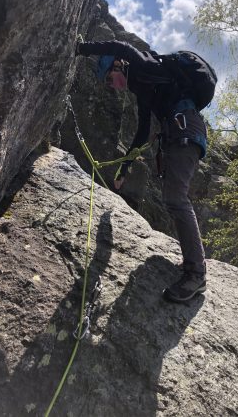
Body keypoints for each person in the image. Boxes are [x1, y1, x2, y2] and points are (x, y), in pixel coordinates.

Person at [76, 40, 214, 303]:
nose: (112, 86)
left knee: (176, 198)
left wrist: (82, 49)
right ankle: (193, 267)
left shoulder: (143, 65)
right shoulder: (144, 89)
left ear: (118, 65)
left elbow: (123, 47)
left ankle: (197, 274)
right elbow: (141, 134)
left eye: (110, 79)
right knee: (173, 199)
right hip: (180, 133)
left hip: (185, 130)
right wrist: (123, 169)